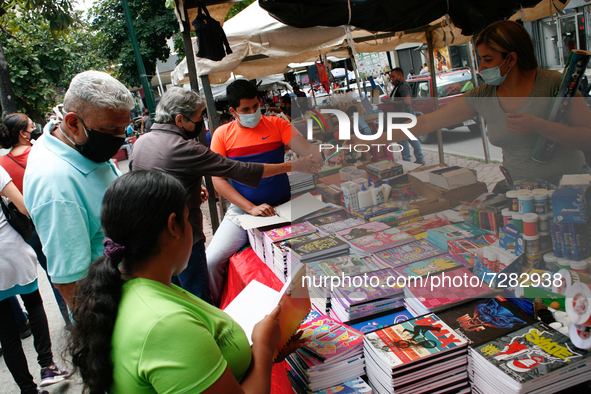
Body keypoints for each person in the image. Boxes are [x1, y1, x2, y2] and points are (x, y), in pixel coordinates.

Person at [68, 170, 284, 394]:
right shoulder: (165, 324)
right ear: (174, 226)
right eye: (188, 217)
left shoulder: (131, 287)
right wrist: (263, 349)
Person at [129, 87, 320, 304]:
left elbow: (144, 183)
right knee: (201, 285)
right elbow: (236, 172)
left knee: (177, 294)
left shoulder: (140, 143)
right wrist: (288, 168)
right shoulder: (203, 141)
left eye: (256, 106)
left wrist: (189, 189)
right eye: (199, 117)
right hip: (213, 223)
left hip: (152, 239)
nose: (253, 112)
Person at [373, 20, 591, 188]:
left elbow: (587, 136)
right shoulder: (482, 96)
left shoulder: (554, 84)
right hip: (522, 195)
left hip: (573, 191)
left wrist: (541, 126)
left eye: (488, 60)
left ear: (512, 59)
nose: (481, 67)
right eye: (480, 59)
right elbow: (425, 124)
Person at [24, 70, 134, 309]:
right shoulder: (56, 185)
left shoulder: (80, 145)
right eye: (109, 131)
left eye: (123, 129)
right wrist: (101, 340)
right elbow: (72, 284)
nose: (119, 138)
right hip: (113, 309)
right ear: (73, 122)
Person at [206, 79, 323, 305]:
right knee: (211, 261)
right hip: (241, 212)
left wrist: (319, 151)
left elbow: (307, 151)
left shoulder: (278, 124)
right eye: (245, 110)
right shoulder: (221, 135)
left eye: (255, 106)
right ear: (233, 111)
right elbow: (218, 181)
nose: (253, 112)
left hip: (283, 207)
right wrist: (251, 208)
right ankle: (216, 307)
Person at [0, 165, 69, 394]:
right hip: (10, 252)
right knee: (33, 303)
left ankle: (28, 390)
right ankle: (47, 366)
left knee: (6, 332)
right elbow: (23, 207)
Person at [0, 114, 72, 329]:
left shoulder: (2, 163)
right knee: (68, 266)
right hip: (53, 219)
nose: (35, 128)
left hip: (29, 228)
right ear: (23, 134)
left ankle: (67, 318)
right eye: (32, 126)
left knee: (52, 273)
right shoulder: (40, 152)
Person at [388, 68, 425, 164]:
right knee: (410, 138)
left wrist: (391, 102)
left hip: (404, 116)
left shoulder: (403, 87)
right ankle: (418, 159)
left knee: (403, 139)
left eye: (393, 76)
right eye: (390, 76)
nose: (391, 78)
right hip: (404, 116)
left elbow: (407, 101)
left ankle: (409, 161)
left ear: (400, 75)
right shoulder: (399, 86)